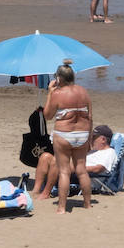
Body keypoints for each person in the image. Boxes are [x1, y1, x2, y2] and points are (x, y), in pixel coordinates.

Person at [43, 62, 94, 214]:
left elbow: (47, 115)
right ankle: (87, 204)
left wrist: (50, 93)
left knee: (64, 171)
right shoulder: (84, 91)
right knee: (82, 170)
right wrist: (90, 138)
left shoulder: (58, 93)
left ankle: (62, 207)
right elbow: (90, 117)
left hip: (64, 134)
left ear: (59, 78)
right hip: (83, 133)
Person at [33, 124, 118, 199]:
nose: (91, 140)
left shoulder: (109, 152)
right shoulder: (93, 151)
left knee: (56, 161)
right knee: (45, 157)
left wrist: (78, 168)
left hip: (83, 176)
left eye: (94, 138)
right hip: (74, 170)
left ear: (103, 139)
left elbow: (98, 168)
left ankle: (46, 192)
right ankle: (36, 190)